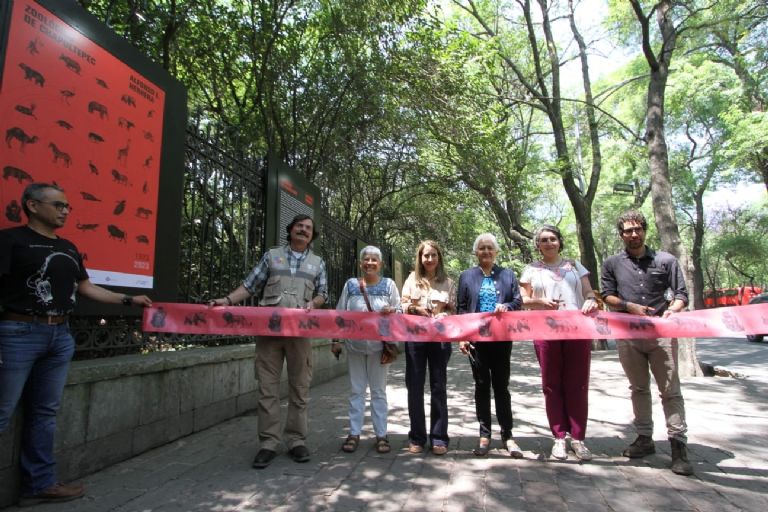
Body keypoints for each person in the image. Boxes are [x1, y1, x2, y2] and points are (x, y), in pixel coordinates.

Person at [0, 183, 152, 506]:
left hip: (60, 337)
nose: (65, 210)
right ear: (32, 206)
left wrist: (128, 299)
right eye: (58, 205)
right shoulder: (10, 240)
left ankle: (39, 484)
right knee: (3, 411)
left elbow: (86, 288)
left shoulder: (68, 247)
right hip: (18, 334)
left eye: (67, 205)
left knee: (45, 413)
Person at [210, 214, 327, 469]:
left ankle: (296, 440)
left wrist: (314, 303)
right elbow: (250, 286)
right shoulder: (272, 256)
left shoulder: (318, 263)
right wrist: (228, 301)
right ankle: (268, 443)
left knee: (300, 388)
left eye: (308, 228)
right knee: (267, 388)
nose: (304, 230)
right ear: (291, 229)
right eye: (300, 226)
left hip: (300, 334)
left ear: (312, 235)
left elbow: (323, 293)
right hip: (269, 334)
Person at [600, 210, 693, 476]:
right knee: (638, 388)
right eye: (627, 230)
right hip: (628, 336)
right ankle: (644, 438)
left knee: (670, 390)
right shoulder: (612, 264)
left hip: (661, 336)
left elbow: (681, 294)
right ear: (621, 235)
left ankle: (678, 445)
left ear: (644, 230)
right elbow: (607, 295)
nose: (633, 234)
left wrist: (673, 309)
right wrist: (629, 307)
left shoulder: (667, 260)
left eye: (637, 229)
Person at [519, 225, 599, 461]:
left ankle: (578, 439)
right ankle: (558, 438)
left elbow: (588, 292)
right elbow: (523, 299)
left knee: (578, 384)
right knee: (551, 385)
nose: (549, 243)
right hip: (545, 331)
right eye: (544, 240)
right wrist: (540, 301)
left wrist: (591, 300)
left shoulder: (574, 266)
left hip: (577, 330)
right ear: (538, 245)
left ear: (559, 242)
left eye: (553, 239)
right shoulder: (531, 269)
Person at [457, 233, 523, 457]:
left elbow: (518, 301)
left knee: (502, 387)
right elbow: (462, 309)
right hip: (477, 341)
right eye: (482, 248)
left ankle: (508, 435)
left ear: (496, 252)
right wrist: (463, 337)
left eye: (489, 248)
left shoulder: (507, 275)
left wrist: (506, 306)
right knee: (481, 386)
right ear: (476, 252)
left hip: (502, 338)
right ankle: (484, 435)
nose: (486, 251)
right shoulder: (466, 276)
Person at [331, 246, 400, 454]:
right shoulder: (351, 285)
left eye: (374, 260)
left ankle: (381, 435)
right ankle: (353, 433)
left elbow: (400, 311)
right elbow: (340, 313)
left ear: (381, 264)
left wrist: (392, 311)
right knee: (356, 390)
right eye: (366, 259)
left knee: (378, 392)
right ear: (360, 263)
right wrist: (335, 340)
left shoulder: (389, 285)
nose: (370, 263)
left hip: (380, 348)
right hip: (355, 346)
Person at [401, 240, 456, 455]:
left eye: (433, 255)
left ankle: (439, 437)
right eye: (426, 255)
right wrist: (415, 308)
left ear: (439, 257)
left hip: (440, 340)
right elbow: (402, 305)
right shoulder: (411, 280)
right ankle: (417, 437)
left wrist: (445, 315)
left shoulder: (449, 282)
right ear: (420, 258)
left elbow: (454, 309)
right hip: (415, 339)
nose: (430, 259)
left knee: (438, 387)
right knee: (414, 387)